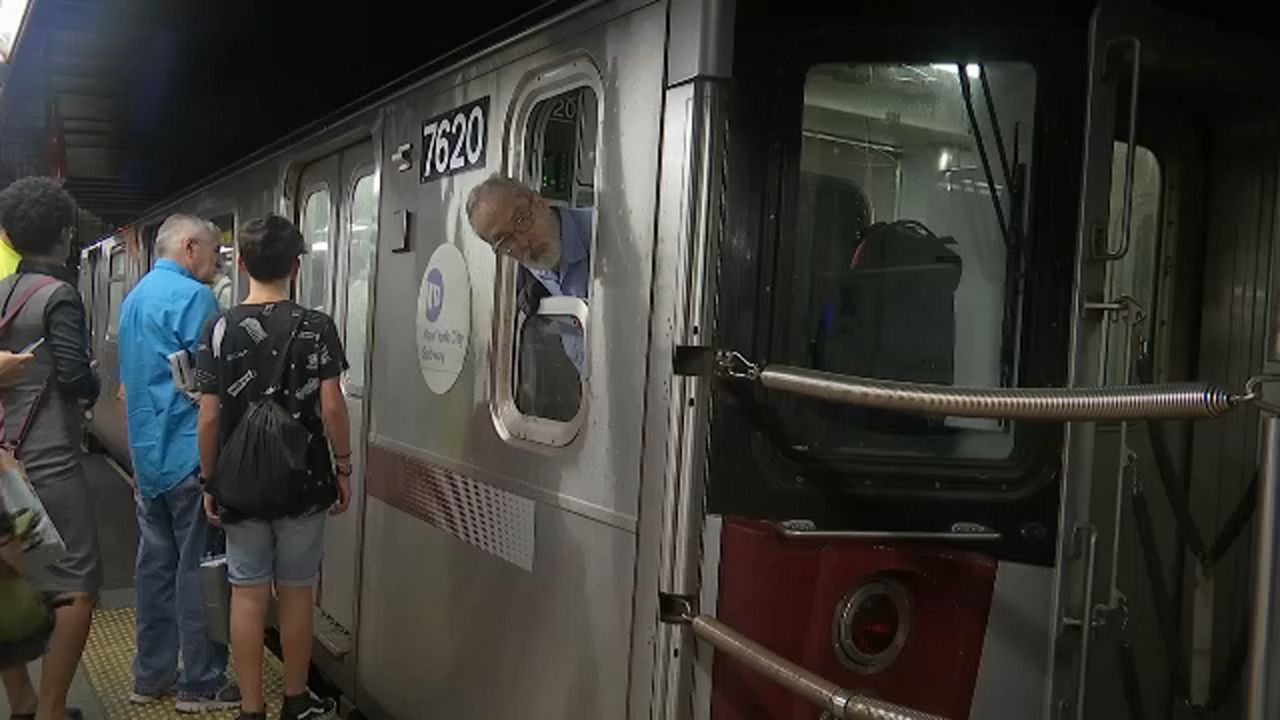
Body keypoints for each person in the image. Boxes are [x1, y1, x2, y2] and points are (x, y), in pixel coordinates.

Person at [194, 214, 352, 720]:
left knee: (247, 593)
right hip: (303, 480)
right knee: (298, 592)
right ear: (297, 267)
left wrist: (209, 480)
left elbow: (210, 416)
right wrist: (343, 467)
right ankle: (296, 700)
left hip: (240, 483)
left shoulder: (218, 328)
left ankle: (250, 708)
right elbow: (332, 406)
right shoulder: (317, 326)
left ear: (239, 264)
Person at [117, 214, 240, 712]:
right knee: (199, 569)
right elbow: (212, 390)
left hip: (148, 460)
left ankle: (150, 675)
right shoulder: (197, 299)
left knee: (155, 569)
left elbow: (132, 387)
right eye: (212, 252)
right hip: (190, 456)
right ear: (189, 247)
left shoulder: (133, 300)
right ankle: (203, 681)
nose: (215, 263)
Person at [0, 177, 100, 720]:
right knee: (76, 585)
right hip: (45, 461)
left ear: (11, 236)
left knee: (6, 576)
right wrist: (93, 386)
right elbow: (74, 374)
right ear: (64, 235)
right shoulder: (59, 296)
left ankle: (21, 702)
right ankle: (53, 710)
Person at [465, 174, 592, 370]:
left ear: (540, 202)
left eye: (522, 219)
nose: (524, 242)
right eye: (505, 240)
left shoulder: (606, 233)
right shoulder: (528, 269)